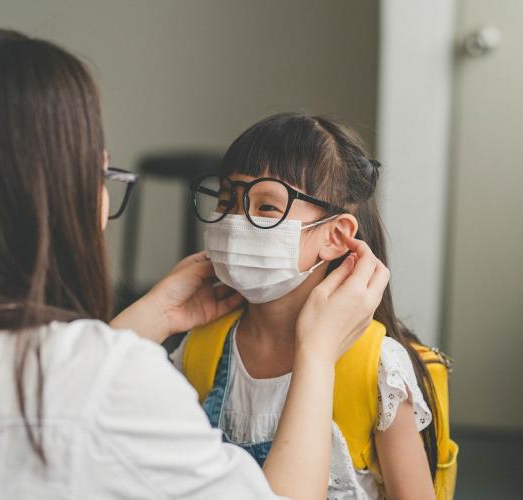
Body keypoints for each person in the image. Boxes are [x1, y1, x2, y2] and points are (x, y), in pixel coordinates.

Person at [0, 31, 388, 499]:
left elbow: (27, 399)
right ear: (52, 197)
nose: (105, 194)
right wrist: (315, 355)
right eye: (99, 173)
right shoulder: (103, 380)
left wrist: (144, 322)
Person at [173, 113, 443, 499]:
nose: (235, 221)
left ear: (335, 236)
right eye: (227, 200)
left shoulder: (375, 367)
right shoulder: (201, 347)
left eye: (266, 207)